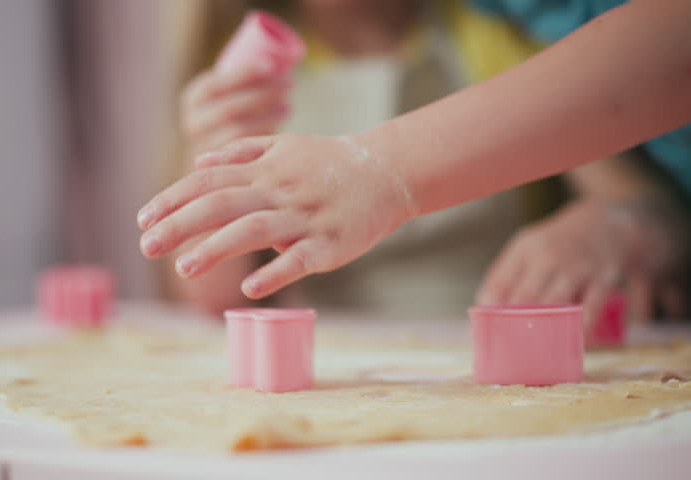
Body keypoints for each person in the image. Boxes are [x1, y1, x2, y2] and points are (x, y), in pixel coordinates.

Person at [144, 0, 691, 329]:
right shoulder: (243, 69)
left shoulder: (482, 32)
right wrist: (210, 160)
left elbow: (628, 196)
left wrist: (611, 222)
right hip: (335, 367)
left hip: (478, 351)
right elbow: (214, 301)